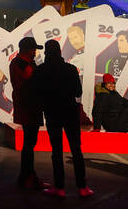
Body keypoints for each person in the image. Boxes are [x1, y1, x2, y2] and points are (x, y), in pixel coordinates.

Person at [36, 39, 92, 197]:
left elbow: (37, 93)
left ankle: (59, 188)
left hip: (52, 112)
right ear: (60, 51)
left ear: (46, 52)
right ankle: (82, 187)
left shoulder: (41, 70)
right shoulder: (71, 69)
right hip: (70, 112)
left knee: (56, 151)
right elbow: (77, 93)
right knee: (76, 150)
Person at [10, 36, 47, 190]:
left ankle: (27, 176)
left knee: (30, 143)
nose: (35, 52)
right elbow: (24, 84)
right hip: (28, 108)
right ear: (27, 50)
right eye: (33, 49)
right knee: (29, 144)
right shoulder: (20, 64)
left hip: (30, 107)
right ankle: (27, 177)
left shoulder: (24, 63)